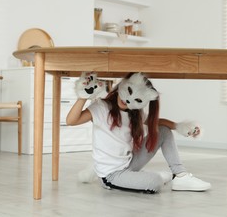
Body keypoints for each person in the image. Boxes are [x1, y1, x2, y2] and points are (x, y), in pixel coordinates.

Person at [66, 72, 211, 194]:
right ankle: (150, 177)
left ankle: (180, 175)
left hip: (130, 162)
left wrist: (180, 127)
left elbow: (157, 122)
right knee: (155, 182)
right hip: (112, 175)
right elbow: (71, 120)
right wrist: (82, 97)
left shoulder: (135, 113)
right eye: (128, 91)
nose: (127, 99)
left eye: (136, 98)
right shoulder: (101, 107)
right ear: (122, 84)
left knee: (164, 131)